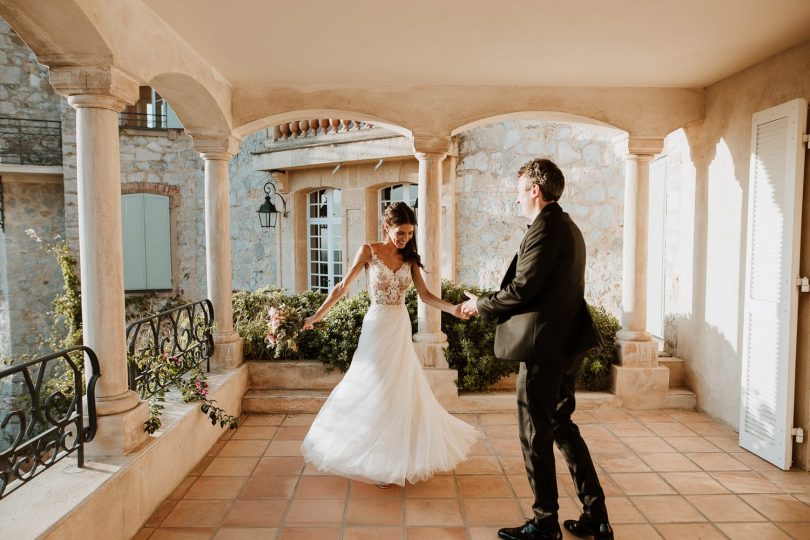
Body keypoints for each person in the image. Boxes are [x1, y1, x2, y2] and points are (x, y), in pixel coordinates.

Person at [462, 158, 613, 540]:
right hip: (567, 344)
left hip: (546, 350)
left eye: (518, 192)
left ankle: (545, 522)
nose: (516, 201)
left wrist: (479, 305)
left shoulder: (546, 229)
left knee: (535, 433)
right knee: (562, 426)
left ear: (534, 190)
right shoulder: (569, 227)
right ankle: (596, 514)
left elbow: (523, 289)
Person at [300, 201, 478, 487]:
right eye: (400, 232)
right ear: (386, 226)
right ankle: (373, 457)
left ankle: (392, 459)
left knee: (397, 389)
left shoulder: (410, 258)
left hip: (398, 326)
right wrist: (316, 316)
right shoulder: (368, 250)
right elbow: (342, 287)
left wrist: (453, 309)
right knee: (373, 385)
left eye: (409, 233)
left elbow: (426, 295)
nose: (404, 238)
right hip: (376, 326)